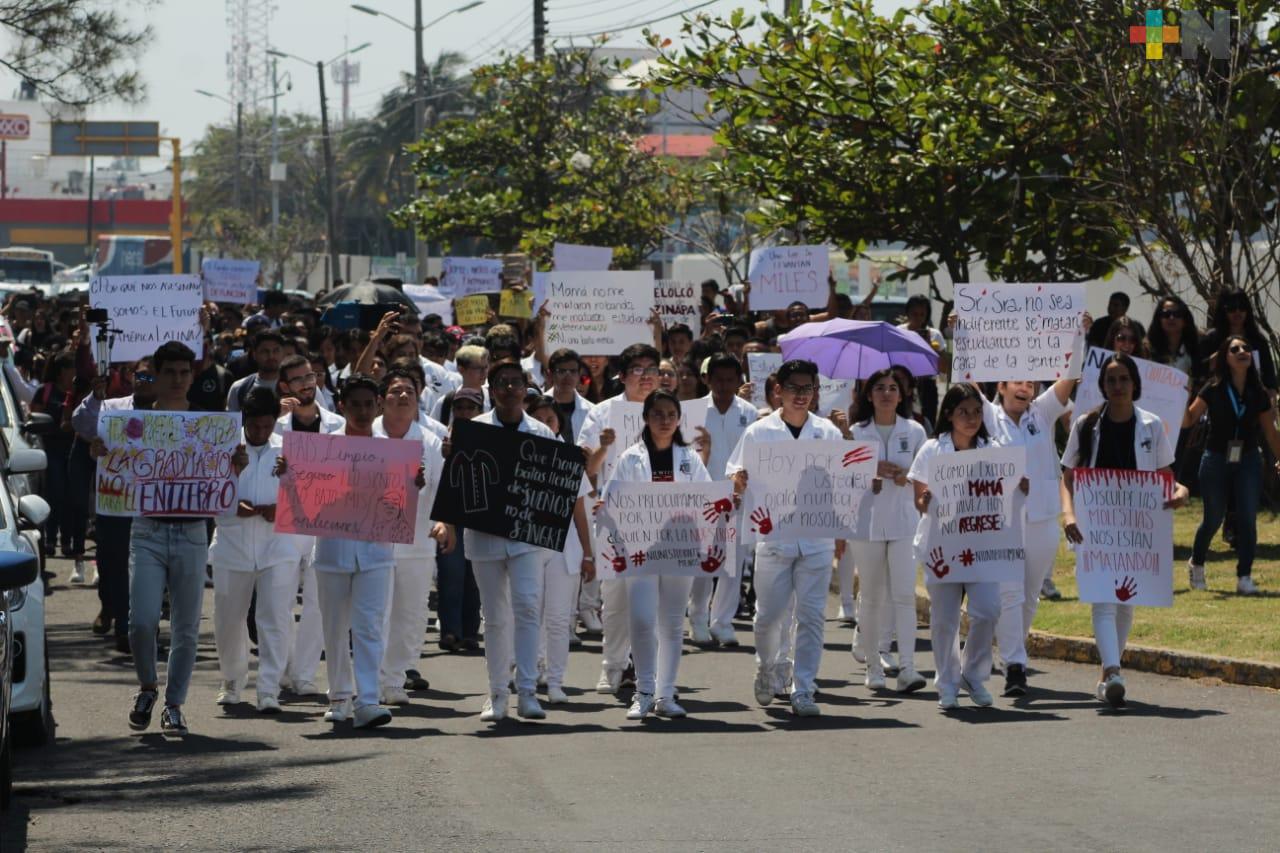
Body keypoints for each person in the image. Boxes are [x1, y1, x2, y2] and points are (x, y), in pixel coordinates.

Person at [277, 373, 422, 730]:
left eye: (367, 404)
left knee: (370, 627)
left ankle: (368, 700)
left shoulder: (393, 452)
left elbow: (399, 502)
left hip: (376, 553)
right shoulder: (323, 449)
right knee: (334, 627)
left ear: (377, 407)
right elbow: (302, 503)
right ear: (342, 406)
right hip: (332, 552)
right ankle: (340, 696)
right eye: (354, 403)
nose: (361, 410)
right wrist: (287, 475)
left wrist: (413, 482)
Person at [454, 359, 590, 723]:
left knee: (529, 608)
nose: (510, 389)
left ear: (526, 389)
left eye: (517, 382)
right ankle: (497, 693)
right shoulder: (474, 430)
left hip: (528, 539)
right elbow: (461, 488)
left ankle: (528, 692)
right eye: (503, 383)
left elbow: (561, 489)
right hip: (485, 536)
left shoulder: (543, 434)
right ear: (491, 389)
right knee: (495, 617)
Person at [93, 342, 209, 736]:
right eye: (170, 373)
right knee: (141, 622)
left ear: (192, 376)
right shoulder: (131, 423)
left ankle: (174, 705)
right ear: (155, 377)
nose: (178, 380)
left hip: (193, 532)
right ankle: (147, 687)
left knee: (186, 627)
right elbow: (114, 462)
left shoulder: (209, 424)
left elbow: (223, 474)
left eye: (184, 372)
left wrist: (235, 462)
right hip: (147, 532)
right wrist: (102, 452)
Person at [1062, 353, 1188, 707]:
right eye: (1111, 380)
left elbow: (1167, 477)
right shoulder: (1086, 425)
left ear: (1135, 384)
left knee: (1126, 600)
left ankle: (1107, 675)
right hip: (1096, 524)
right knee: (1103, 598)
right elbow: (1068, 475)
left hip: (1136, 527)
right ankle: (1114, 670)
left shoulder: (1152, 425)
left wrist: (1181, 492)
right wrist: (1068, 513)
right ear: (1102, 386)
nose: (1117, 386)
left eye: (1124, 380)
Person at [727, 359, 845, 717]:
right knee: (768, 616)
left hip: (816, 539)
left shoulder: (828, 433)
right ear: (778, 390)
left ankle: (803, 687)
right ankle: (767, 666)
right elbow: (733, 472)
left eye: (807, 388)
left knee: (811, 617)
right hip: (774, 537)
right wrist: (738, 482)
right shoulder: (759, 432)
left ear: (815, 391)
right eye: (793, 388)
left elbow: (843, 482)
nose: (800, 395)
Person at [604, 389, 711, 720]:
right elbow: (613, 499)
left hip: (680, 550)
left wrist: (726, 503)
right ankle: (644, 691)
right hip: (641, 552)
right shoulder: (629, 458)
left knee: (672, 623)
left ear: (679, 419)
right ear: (646, 419)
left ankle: (666, 694)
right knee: (641, 619)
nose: (664, 420)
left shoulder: (689, 458)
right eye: (657, 414)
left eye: (670, 414)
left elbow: (706, 498)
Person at [210, 388, 309, 714]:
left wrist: (280, 503)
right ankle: (232, 680)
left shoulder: (289, 450)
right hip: (232, 545)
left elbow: (308, 501)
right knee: (228, 618)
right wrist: (230, 494)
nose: (261, 433)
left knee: (275, 616)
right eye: (255, 427)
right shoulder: (223, 446)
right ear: (244, 421)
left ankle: (268, 688)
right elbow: (205, 495)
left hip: (277, 546)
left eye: (267, 426)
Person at [984, 370, 1081, 696]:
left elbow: (1070, 378)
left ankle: (1011, 651)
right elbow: (965, 377)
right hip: (1003, 521)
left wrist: (1078, 337)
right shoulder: (988, 415)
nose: (1025, 387)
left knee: (1029, 596)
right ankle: (1015, 666)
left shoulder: (1042, 411)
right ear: (1001, 385)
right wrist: (962, 337)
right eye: (1017, 381)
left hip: (1042, 516)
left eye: (1030, 382)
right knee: (1009, 594)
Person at [908, 383, 1001, 711]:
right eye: (963, 411)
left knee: (988, 610)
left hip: (982, 544)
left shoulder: (994, 448)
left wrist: (1021, 485)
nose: (971, 418)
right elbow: (919, 500)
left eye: (976, 412)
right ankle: (947, 682)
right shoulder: (932, 450)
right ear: (948, 414)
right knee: (945, 619)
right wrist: (926, 499)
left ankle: (972, 675)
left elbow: (1005, 494)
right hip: (942, 547)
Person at [578, 343, 663, 695]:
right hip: (613, 519)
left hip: (660, 519)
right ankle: (612, 666)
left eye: (651, 369)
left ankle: (645, 669)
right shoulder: (602, 413)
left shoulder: (670, 412)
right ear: (623, 376)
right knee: (615, 599)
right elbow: (587, 469)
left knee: (653, 601)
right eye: (638, 370)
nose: (645, 377)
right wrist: (603, 449)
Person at [374, 367, 454, 704]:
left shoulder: (431, 441)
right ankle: (369, 680)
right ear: (382, 399)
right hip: (372, 540)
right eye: (395, 390)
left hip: (417, 540)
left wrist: (444, 523)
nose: (403, 395)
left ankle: (394, 680)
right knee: (374, 613)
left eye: (409, 390)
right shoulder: (365, 435)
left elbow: (443, 489)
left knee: (409, 614)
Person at [848, 368, 928, 693]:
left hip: (905, 522)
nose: (886, 393)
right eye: (879, 388)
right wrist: (869, 470)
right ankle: (873, 667)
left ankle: (908, 668)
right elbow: (844, 479)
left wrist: (905, 476)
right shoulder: (855, 432)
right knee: (871, 596)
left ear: (902, 394)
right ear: (869, 395)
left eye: (893, 388)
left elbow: (927, 474)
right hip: (865, 523)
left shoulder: (916, 431)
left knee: (904, 596)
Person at [1182, 335, 1280, 595]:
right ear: (1225, 357)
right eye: (1235, 349)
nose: (1242, 351)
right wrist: (1181, 397)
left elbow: (1270, 432)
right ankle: (1197, 563)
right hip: (1215, 459)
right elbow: (1188, 419)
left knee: (1248, 518)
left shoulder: (1258, 393)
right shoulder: (1213, 389)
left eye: (1246, 348)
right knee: (1212, 519)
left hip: (1247, 458)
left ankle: (1244, 577)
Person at [72, 357, 158, 652]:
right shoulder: (112, 407)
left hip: (154, 506)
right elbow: (82, 424)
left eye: (152, 377)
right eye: (142, 376)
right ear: (133, 377)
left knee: (147, 569)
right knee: (113, 566)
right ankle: (113, 610)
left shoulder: (173, 413)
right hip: (116, 503)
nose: (146, 382)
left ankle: (129, 627)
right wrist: (96, 397)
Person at [525, 395, 594, 703]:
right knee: (528, 615)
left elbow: (580, 511)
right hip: (525, 546)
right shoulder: (518, 455)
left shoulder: (569, 459)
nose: (545, 425)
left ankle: (555, 681)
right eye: (538, 419)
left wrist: (589, 553)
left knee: (557, 618)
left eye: (550, 420)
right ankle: (531, 670)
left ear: (559, 424)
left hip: (564, 549)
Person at [688, 353, 758, 647]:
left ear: (739, 381)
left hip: (739, 497)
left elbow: (753, 455)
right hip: (703, 495)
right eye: (719, 379)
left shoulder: (750, 412)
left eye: (731, 380)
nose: (725, 385)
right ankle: (698, 618)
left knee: (734, 561)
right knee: (704, 559)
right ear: (707, 379)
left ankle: (723, 622)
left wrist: (740, 489)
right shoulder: (691, 412)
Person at [435, 387, 484, 653]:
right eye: (460, 408)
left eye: (471, 408)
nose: (465, 412)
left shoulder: (490, 437)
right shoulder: (442, 439)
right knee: (450, 573)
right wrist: (445, 455)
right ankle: (450, 630)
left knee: (474, 577)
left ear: (480, 410)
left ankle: (470, 632)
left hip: (478, 514)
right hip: (451, 514)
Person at [227, 330, 286, 412]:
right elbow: (233, 423)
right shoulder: (239, 388)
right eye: (265, 351)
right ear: (254, 355)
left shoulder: (295, 386)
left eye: (276, 350)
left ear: (283, 353)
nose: (271, 356)